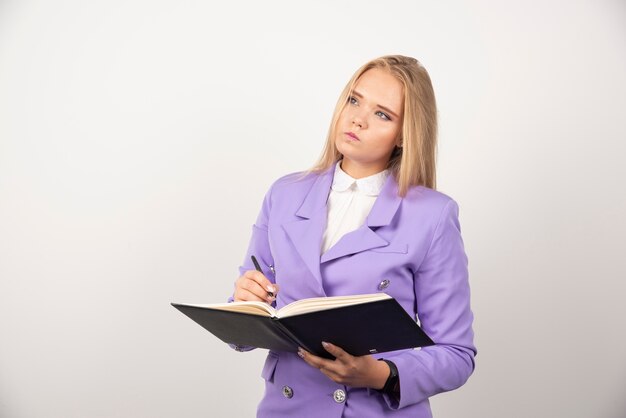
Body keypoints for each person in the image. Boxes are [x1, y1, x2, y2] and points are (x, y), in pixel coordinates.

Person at [230, 55, 476, 418]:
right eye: (354, 100)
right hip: (287, 408)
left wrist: (380, 374)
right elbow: (244, 328)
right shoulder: (284, 194)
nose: (357, 118)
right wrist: (242, 303)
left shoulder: (433, 215)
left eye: (382, 114)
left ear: (405, 134)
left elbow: (457, 354)